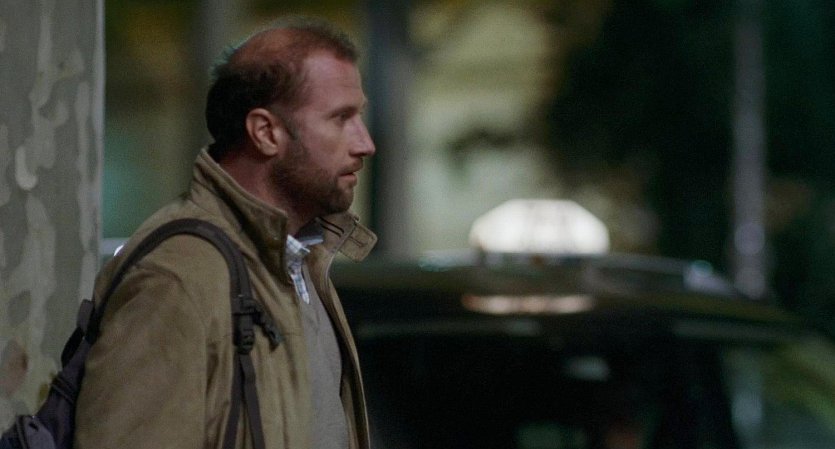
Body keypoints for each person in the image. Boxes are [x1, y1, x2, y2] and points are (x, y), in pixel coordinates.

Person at [75, 16, 377, 449]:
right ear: (266, 132)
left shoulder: (299, 260)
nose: (365, 143)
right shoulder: (176, 278)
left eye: (358, 116)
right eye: (340, 118)